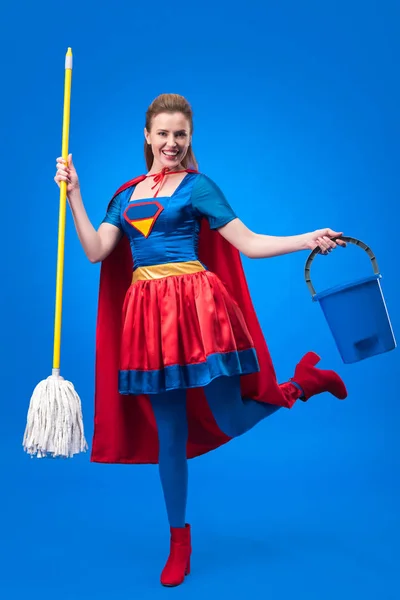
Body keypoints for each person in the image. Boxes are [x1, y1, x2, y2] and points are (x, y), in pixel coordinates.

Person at [55, 93, 347, 587]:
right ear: (147, 135)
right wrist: (75, 195)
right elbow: (94, 251)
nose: (172, 142)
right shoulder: (124, 196)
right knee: (171, 435)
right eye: (163, 133)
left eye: (181, 134)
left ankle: (301, 386)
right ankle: (178, 542)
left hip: (197, 310)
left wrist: (306, 238)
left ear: (189, 139)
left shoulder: (199, 188)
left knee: (230, 420)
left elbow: (249, 244)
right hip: (148, 319)